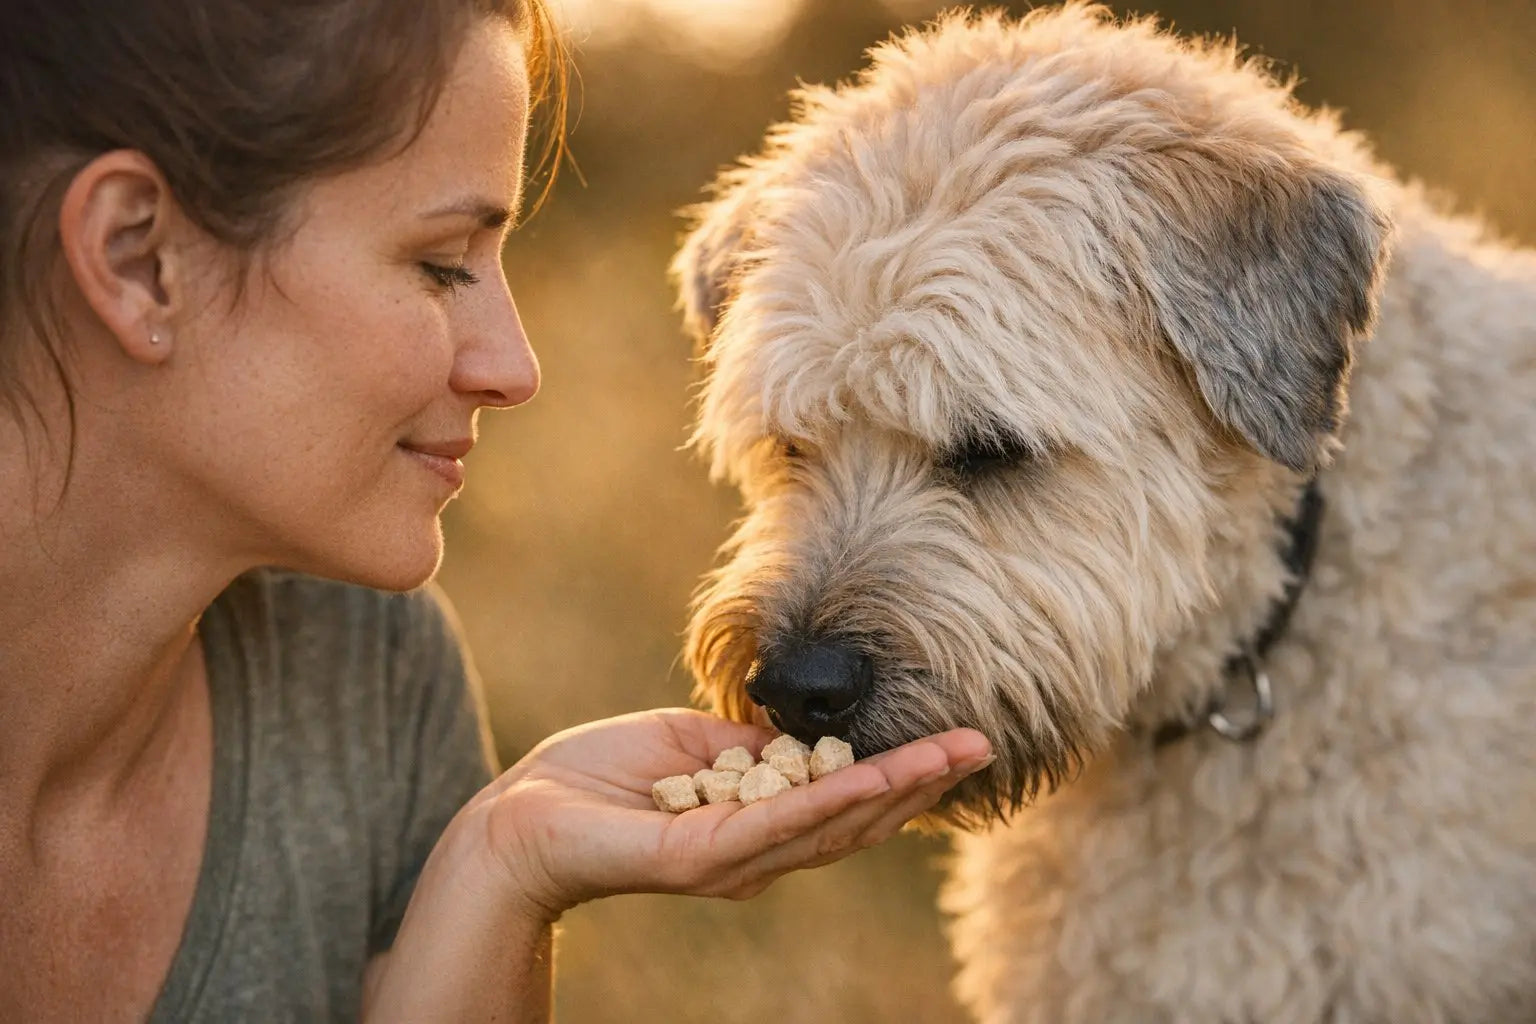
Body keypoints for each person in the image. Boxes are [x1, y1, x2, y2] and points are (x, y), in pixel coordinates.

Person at [0, 2, 994, 1021]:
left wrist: (505, 865)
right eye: (440, 266)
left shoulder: (367, 678)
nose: (515, 368)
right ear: (138, 259)